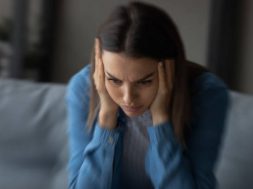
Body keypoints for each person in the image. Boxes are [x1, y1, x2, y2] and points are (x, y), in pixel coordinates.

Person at [66, 1, 230, 189]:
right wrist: (106, 117)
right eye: (115, 81)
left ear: (170, 67)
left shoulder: (208, 94)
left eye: (144, 82)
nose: (128, 98)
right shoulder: (82, 89)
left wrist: (160, 120)